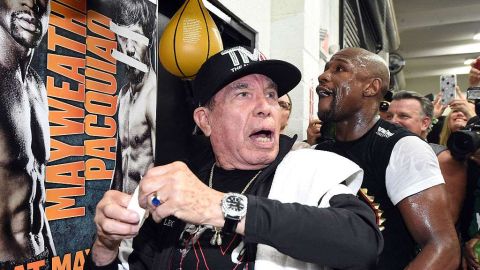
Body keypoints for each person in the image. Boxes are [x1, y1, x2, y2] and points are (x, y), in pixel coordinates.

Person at [87, 46, 382, 269]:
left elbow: (363, 243)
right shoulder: (180, 187)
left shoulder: (310, 170)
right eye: (243, 94)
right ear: (205, 120)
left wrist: (220, 207)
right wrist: (105, 246)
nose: (266, 106)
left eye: (270, 94)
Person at [314, 47, 460, 269]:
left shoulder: (403, 148)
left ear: (371, 88)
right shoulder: (318, 153)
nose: (323, 76)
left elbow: (443, 247)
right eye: (326, 69)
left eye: (339, 69)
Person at [0, 0, 56, 265]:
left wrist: (52, 259)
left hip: (38, 254)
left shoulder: (36, 85)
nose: (33, 4)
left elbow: (37, 188)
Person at [385, 90, 467, 224]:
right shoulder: (383, 151)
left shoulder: (444, 158)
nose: (393, 121)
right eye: (389, 116)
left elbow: (447, 220)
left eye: (403, 116)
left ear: (425, 123)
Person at [110, 0, 157, 195]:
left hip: (146, 215)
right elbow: (121, 164)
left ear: (150, 39)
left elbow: (161, 174)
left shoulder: (152, 97)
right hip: (123, 214)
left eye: (136, 37)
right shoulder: (123, 96)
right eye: (123, 38)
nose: (129, 48)